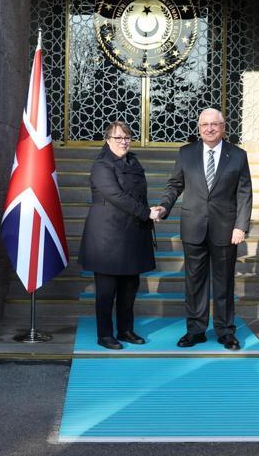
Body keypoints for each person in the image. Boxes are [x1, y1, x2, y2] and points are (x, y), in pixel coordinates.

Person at [153, 108, 252, 351]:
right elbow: (175, 185)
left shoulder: (238, 155)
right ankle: (195, 331)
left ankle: (226, 332)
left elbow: (244, 193)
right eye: (205, 124)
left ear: (223, 127)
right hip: (193, 228)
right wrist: (164, 207)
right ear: (199, 128)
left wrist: (241, 226)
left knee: (224, 283)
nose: (209, 128)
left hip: (226, 230)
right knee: (194, 283)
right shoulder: (186, 153)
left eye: (214, 124)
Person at [78, 121, 160, 350]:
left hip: (132, 234)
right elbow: (117, 196)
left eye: (127, 137)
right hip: (107, 237)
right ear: (108, 140)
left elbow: (137, 194)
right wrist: (146, 213)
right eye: (118, 138)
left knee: (129, 288)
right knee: (106, 291)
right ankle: (104, 335)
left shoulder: (133, 160)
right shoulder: (102, 166)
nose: (123, 141)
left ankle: (125, 330)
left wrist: (150, 212)